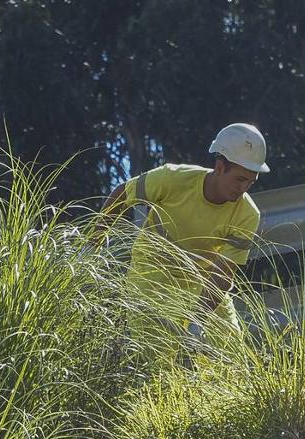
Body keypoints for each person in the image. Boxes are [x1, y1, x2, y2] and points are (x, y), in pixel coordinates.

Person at [102, 123, 268, 346]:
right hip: (152, 275)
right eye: (240, 179)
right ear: (220, 167)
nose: (244, 188)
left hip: (202, 283)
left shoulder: (248, 214)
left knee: (230, 357)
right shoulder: (172, 178)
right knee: (156, 357)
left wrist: (198, 320)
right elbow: (122, 194)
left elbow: (223, 275)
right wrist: (93, 243)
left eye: (250, 181)